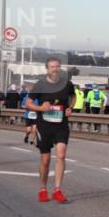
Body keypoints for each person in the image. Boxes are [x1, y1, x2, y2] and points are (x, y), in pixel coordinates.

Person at [26, 58, 76, 203]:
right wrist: (41, 108)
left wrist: (70, 107)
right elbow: (28, 104)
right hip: (44, 126)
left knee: (61, 155)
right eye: (52, 67)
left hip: (61, 125)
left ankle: (57, 190)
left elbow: (73, 96)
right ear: (47, 69)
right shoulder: (40, 85)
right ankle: (43, 189)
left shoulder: (67, 84)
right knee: (45, 160)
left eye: (58, 67)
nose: (55, 69)